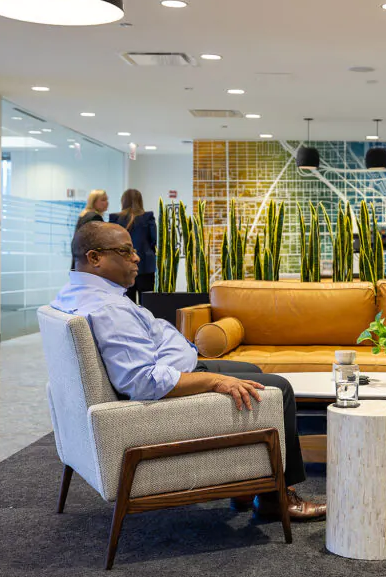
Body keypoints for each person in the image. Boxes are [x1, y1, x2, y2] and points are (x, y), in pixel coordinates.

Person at [50, 221, 325, 521]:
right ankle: (277, 498)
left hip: (179, 369)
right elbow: (143, 382)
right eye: (126, 251)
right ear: (95, 257)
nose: (137, 258)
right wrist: (212, 380)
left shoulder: (75, 293)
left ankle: (251, 481)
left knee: (250, 369)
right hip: (167, 391)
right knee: (278, 389)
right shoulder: (108, 308)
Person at [109, 189, 156, 304]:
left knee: (126, 301)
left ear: (123, 201)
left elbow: (111, 242)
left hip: (122, 265)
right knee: (147, 302)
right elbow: (154, 240)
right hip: (145, 265)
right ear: (140, 201)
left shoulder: (115, 219)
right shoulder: (148, 217)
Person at [71, 190, 109, 270]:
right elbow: (98, 242)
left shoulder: (84, 215)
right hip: (88, 262)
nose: (107, 203)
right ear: (93, 202)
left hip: (80, 261)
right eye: (103, 200)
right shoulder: (95, 217)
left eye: (107, 199)